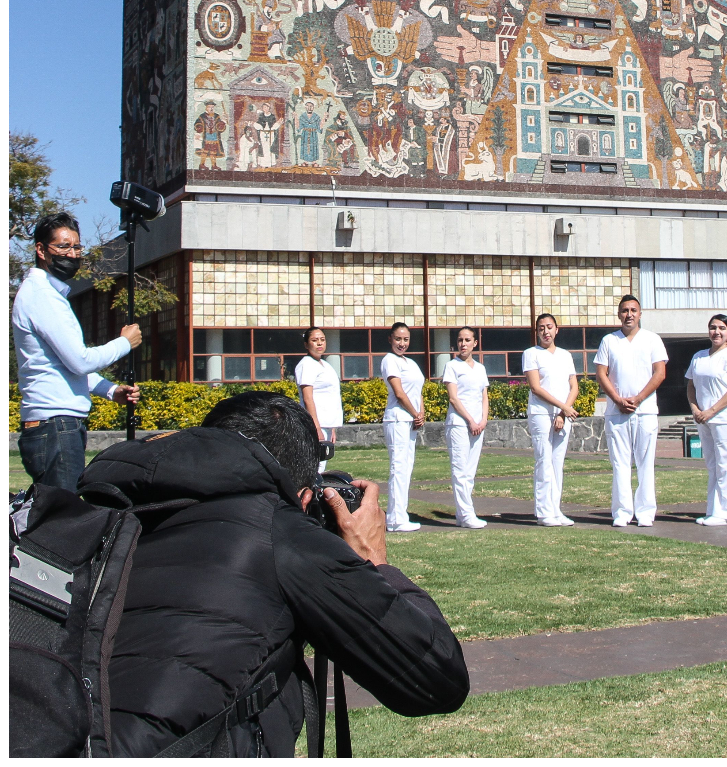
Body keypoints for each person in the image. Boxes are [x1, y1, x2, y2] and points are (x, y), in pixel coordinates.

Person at [78, 391, 467, 753]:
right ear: (303, 497)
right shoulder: (276, 529)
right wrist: (373, 559)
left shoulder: (94, 515)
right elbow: (438, 680)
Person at [12, 212, 141, 493]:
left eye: (76, 247)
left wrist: (110, 390)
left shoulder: (48, 294)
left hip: (57, 426)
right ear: (41, 249)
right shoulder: (41, 295)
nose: (71, 254)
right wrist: (123, 343)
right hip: (55, 426)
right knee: (63, 521)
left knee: (59, 516)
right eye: (62, 246)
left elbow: (65, 366)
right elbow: (80, 361)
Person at [594, 295, 668, 527]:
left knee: (645, 463)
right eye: (625, 310)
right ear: (619, 314)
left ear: (640, 313)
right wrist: (617, 400)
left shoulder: (652, 339)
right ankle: (622, 512)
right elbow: (601, 374)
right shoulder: (609, 341)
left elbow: (660, 373)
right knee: (620, 463)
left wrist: (638, 398)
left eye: (633, 310)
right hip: (617, 414)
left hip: (645, 412)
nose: (629, 314)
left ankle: (646, 512)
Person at [684, 313, 727, 526]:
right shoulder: (699, 356)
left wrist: (711, 411)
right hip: (703, 419)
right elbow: (691, 385)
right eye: (713, 328)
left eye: (721, 328)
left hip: (726, 419)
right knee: (712, 465)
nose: (716, 332)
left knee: (726, 465)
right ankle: (713, 509)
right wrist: (695, 409)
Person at [524, 313, 579, 527]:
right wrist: (563, 408)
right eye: (541, 328)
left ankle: (556, 510)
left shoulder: (565, 355)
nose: (546, 331)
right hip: (541, 414)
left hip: (562, 416)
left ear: (557, 329)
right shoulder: (531, 354)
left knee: (557, 463)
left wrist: (563, 414)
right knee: (544, 460)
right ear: (536, 332)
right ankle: (544, 512)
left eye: (549, 327)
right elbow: (536, 388)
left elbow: (573, 386)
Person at [379, 322, 426, 533]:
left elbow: (418, 392)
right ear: (390, 339)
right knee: (398, 468)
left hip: (411, 421)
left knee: (407, 468)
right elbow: (399, 393)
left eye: (405, 339)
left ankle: (401, 514)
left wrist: (421, 413)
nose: (402, 343)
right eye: (398, 339)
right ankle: (394, 519)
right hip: (397, 419)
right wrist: (415, 413)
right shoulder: (389, 360)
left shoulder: (411, 363)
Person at [440, 327, 489, 529]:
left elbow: (484, 397)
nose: (463, 344)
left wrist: (483, 420)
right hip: (459, 424)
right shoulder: (452, 366)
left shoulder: (480, 368)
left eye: (467, 340)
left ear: (474, 343)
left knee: (470, 472)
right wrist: (470, 420)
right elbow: (453, 398)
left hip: (478, 426)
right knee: (460, 470)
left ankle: (463, 514)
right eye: (460, 340)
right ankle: (467, 514)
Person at [294, 326, 343, 451]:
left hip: (326, 424)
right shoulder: (306, 364)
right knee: (315, 464)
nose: (319, 343)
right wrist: (316, 428)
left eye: (322, 339)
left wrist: (331, 428)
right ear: (306, 344)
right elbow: (308, 398)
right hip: (315, 425)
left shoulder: (325, 365)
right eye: (315, 340)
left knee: (322, 464)